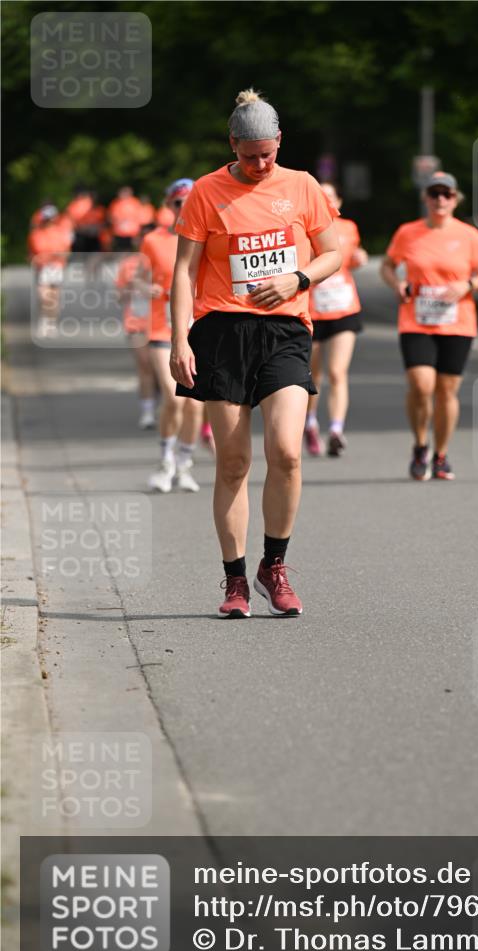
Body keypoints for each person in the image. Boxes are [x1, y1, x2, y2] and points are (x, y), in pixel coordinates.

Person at [170, 88, 341, 617]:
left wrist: (297, 277)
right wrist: (179, 339)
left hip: (285, 331)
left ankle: (275, 565)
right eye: (249, 156)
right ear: (232, 145)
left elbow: (335, 252)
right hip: (222, 332)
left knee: (287, 451)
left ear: (279, 143)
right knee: (234, 462)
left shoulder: (302, 186)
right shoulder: (206, 191)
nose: (260, 165)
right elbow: (183, 271)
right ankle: (235, 581)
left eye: (268, 153)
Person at [381, 171, 478, 481]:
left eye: (446, 194)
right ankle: (420, 445)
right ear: (425, 198)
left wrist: (466, 285)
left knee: (446, 391)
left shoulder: (468, 235)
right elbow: (387, 266)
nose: (440, 200)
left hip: (457, 323)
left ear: (455, 199)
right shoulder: (408, 232)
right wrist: (397, 283)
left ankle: (440, 454)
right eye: (434, 194)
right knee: (421, 386)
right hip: (416, 320)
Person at [139, 181, 204, 492]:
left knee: (194, 403)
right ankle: (165, 460)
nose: (184, 208)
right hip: (161, 327)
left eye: (189, 202)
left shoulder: (210, 236)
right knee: (173, 395)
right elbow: (136, 277)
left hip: (199, 328)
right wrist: (145, 287)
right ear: (169, 207)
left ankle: (184, 464)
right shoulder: (153, 240)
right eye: (178, 203)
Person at [304, 181, 367, 457]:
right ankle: (310, 423)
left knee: (338, 372)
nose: (327, 203)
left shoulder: (350, 228)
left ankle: (336, 430)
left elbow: (350, 260)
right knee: (313, 375)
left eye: (331, 198)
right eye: (321, 198)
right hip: (312, 311)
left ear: (339, 202)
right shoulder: (304, 229)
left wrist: (359, 258)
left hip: (343, 308)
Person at [115, 250, 158, 429]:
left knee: (161, 371)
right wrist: (131, 287)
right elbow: (119, 297)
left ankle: (163, 403)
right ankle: (147, 412)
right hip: (136, 324)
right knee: (145, 365)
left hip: (162, 324)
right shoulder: (128, 264)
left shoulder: (167, 258)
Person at [28, 204, 73, 338]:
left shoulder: (61, 233)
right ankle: (44, 321)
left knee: (53, 297)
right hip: (42, 268)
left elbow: (65, 252)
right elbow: (33, 252)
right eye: (45, 218)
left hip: (56, 267)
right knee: (43, 296)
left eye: (50, 218)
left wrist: (55, 256)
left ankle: (52, 323)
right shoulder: (36, 234)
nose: (47, 221)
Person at [107, 186, 143, 252]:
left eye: (124, 192)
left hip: (132, 232)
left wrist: (138, 233)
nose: (121, 194)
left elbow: (139, 217)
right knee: (119, 250)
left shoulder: (135, 202)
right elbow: (111, 216)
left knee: (132, 250)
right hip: (118, 232)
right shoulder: (115, 203)